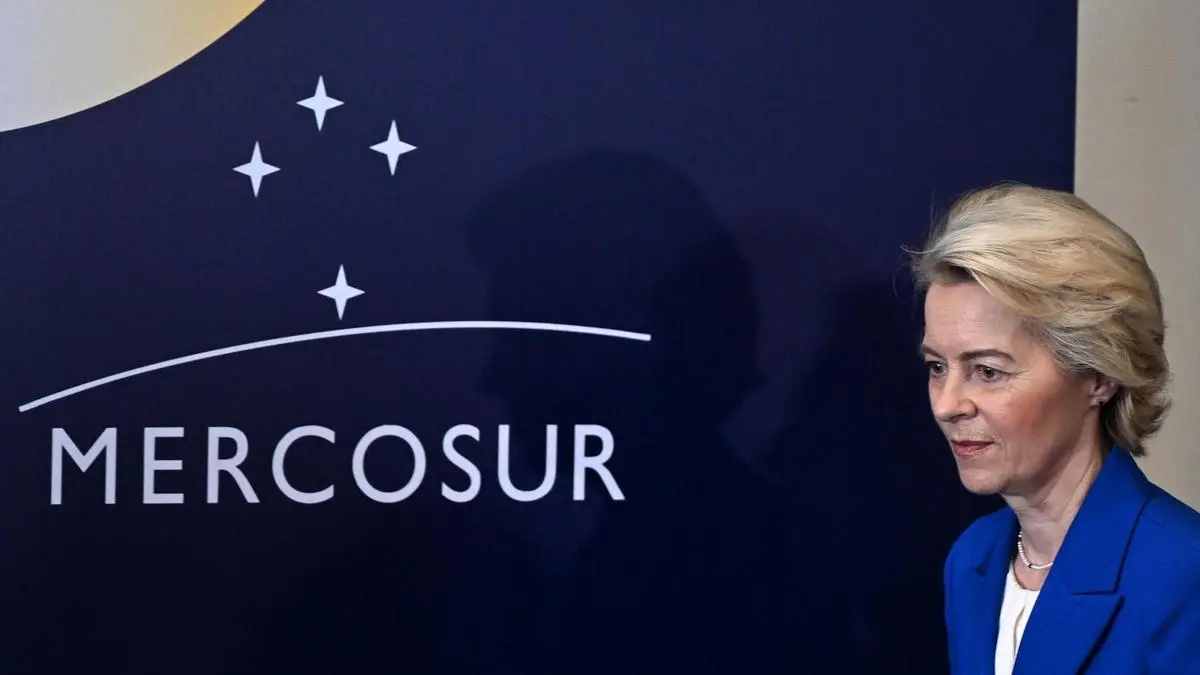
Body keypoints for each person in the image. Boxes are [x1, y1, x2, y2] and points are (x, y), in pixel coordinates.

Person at [910, 184, 1200, 674]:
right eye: (937, 367)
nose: (947, 405)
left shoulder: (1184, 578)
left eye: (988, 371)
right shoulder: (974, 559)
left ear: (1099, 375)